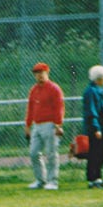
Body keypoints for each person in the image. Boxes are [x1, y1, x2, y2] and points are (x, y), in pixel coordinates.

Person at [24, 62, 65, 190]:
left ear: (47, 73)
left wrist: (58, 124)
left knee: (51, 153)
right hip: (37, 125)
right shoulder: (34, 90)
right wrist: (28, 124)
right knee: (34, 153)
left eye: (41, 73)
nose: (39, 76)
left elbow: (59, 107)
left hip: (50, 124)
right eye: (36, 73)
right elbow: (30, 108)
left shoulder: (54, 89)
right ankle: (40, 179)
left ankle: (53, 181)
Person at [82, 64, 103, 189]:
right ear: (98, 78)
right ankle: (92, 179)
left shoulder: (98, 91)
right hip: (96, 128)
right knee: (95, 154)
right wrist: (96, 128)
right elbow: (91, 111)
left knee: (101, 153)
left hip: (102, 126)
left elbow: (100, 108)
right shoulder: (91, 92)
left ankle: (98, 177)